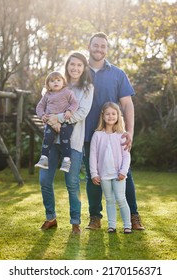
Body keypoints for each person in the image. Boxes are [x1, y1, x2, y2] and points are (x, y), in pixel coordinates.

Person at [84, 32, 145, 230]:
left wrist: (130, 133)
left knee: (125, 174)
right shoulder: (79, 71)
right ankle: (95, 218)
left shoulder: (118, 74)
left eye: (103, 46)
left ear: (106, 49)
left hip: (116, 136)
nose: (99, 49)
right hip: (86, 135)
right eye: (96, 45)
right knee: (92, 176)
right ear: (89, 46)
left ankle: (134, 216)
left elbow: (127, 105)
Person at [38, 52, 93, 234]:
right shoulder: (56, 83)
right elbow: (43, 106)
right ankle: (50, 217)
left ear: (84, 68)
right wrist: (46, 117)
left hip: (74, 141)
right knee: (44, 180)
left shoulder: (87, 88)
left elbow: (80, 113)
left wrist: (56, 118)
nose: (75, 68)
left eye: (79, 65)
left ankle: (75, 222)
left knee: (72, 183)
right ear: (67, 66)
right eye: (72, 64)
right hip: (52, 141)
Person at [89, 102, 132, 234]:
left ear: (118, 116)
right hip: (104, 175)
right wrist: (94, 173)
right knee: (109, 200)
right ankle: (111, 225)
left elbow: (126, 156)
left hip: (119, 174)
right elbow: (93, 155)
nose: (110, 116)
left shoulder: (122, 135)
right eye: (107, 114)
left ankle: (127, 225)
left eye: (113, 114)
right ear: (103, 116)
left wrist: (123, 171)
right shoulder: (97, 135)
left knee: (121, 198)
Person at [35, 71, 79, 172]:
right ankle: (44, 158)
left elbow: (75, 103)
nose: (56, 82)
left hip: (65, 121)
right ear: (48, 84)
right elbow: (40, 106)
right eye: (52, 81)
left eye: (58, 80)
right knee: (47, 138)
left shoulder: (67, 92)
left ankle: (67, 160)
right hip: (51, 121)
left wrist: (70, 110)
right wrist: (42, 115)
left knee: (65, 138)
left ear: (63, 82)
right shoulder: (47, 95)